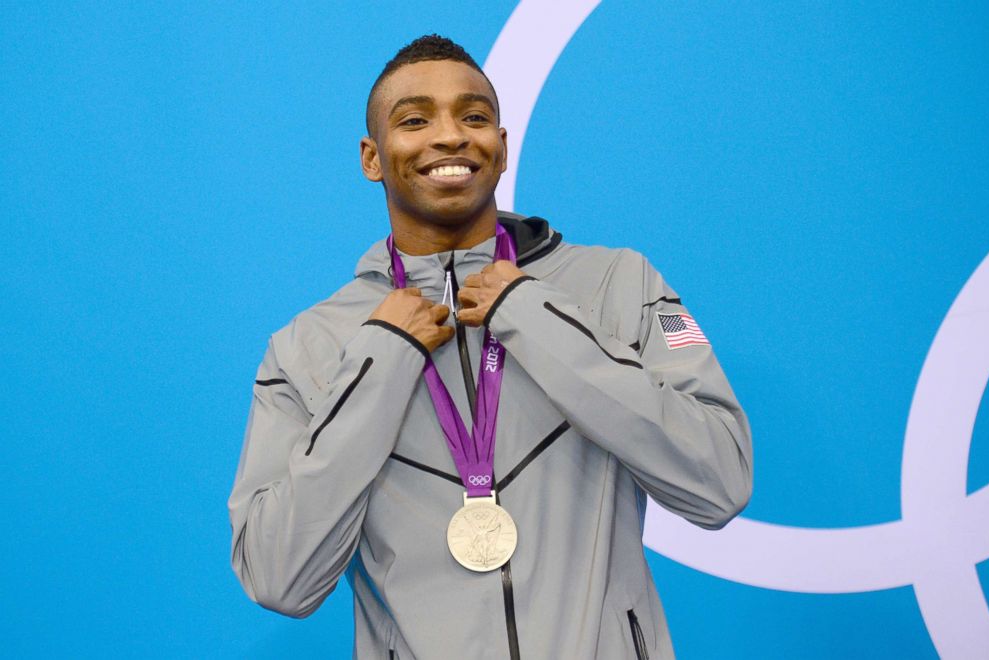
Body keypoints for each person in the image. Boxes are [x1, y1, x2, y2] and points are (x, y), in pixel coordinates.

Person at [228, 34, 752, 660]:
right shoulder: (308, 346)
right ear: (372, 157)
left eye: (474, 117)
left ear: (500, 150)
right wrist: (382, 359)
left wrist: (535, 317)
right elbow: (278, 577)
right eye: (415, 120)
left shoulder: (621, 284)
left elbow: (719, 481)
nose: (449, 137)